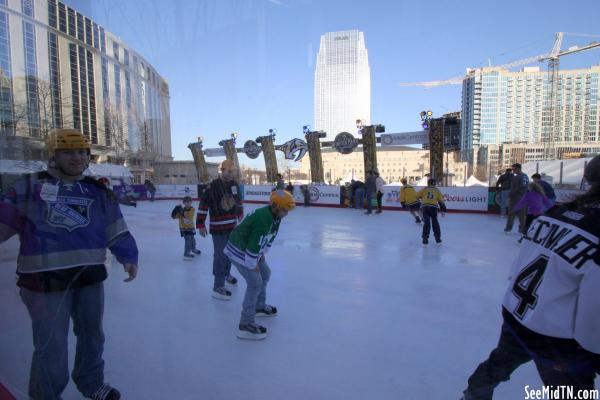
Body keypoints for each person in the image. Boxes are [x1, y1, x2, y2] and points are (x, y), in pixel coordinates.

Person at [0, 129, 138, 400]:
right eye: (68, 151)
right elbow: (3, 225)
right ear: (54, 155)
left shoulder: (97, 190)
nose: (76, 157)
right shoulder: (29, 186)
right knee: (52, 347)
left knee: (92, 336)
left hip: (88, 277)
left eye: (81, 152)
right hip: (44, 282)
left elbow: (115, 228)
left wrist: (128, 256)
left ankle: (91, 383)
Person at [461, 155, 600, 400]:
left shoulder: (554, 215)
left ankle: (473, 395)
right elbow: (593, 319)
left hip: (517, 316)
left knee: (498, 364)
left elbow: (517, 268)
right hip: (556, 340)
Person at [224, 190, 295, 340]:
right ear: (275, 206)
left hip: (249, 248)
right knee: (255, 283)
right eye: (285, 210)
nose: (287, 213)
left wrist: (261, 254)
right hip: (238, 249)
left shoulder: (275, 216)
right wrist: (252, 262)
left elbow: (269, 236)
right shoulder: (264, 218)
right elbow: (253, 242)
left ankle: (259, 306)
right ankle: (246, 323)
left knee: (265, 273)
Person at [196, 159, 244, 300]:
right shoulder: (212, 187)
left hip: (232, 227)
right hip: (218, 228)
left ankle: (226, 274)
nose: (231, 174)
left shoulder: (234, 185)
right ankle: (218, 286)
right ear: (222, 170)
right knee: (220, 255)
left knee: (229, 253)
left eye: (233, 171)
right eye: (229, 171)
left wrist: (240, 213)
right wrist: (200, 224)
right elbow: (203, 206)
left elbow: (238, 200)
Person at [417, 178, 447, 245]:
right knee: (435, 222)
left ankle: (425, 239)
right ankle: (438, 239)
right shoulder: (437, 190)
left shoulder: (425, 189)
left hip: (425, 207)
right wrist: (443, 210)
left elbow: (417, 195)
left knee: (426, 222)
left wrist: (422, 198)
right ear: (434, 184)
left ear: (428, 183)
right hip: (433, 208)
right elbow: (441, 201)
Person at [504, 163, 529, 234]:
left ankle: (508, 229)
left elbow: (514, 189)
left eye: (514, 169)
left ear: (518, 168)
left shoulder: (517, 177)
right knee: (522, 215)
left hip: (516, 198)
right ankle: (521, 229)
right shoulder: (525, 176)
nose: (513, 171)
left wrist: (509, 197)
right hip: (524, 198)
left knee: (511, 214)